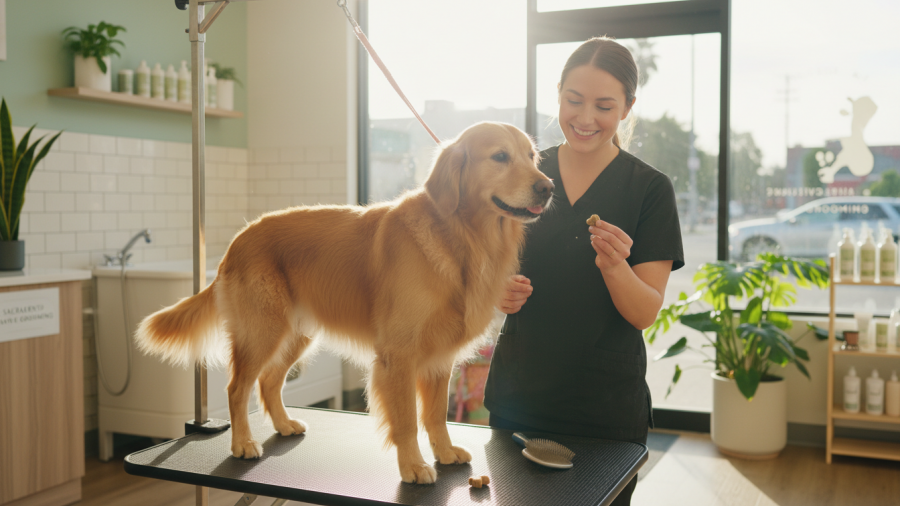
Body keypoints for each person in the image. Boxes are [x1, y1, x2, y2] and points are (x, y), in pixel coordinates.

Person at [483, 36, 684, 505]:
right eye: (573, 100)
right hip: (520, 397)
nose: (585, 117)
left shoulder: (650, 189)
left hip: (605, 410)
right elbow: (485, 270)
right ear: (558, 94)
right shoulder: (523, 173)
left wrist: (615, 267)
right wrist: (496, 292)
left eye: (604, 105)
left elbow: (644, 313)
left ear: (627, 108)